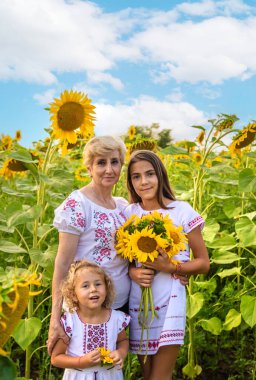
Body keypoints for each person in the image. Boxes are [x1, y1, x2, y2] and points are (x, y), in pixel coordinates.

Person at [126, 150, 210, 380]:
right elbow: (124, 262)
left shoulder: (181, 211)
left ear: (160, 175)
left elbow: (203, 263)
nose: (144, 182)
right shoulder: (128, 214)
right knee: (147, 374)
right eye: (136, 176)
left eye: (150, 174)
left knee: (160, 376)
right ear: (130, 182)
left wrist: (172, 267)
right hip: (139, 303)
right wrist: (133, 272)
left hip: (170, 300)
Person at [48, 136, 130, 355]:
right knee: (84, 368)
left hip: (118, 308)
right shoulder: (78, 204)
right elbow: (63, 263)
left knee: (110, 370)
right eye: (101, 163)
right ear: (89, 167)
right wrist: (55, 319)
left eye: (114, 162)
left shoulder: (122, 206)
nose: (109, 169)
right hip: (85, 310)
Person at [51, 260, 130, 379]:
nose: (93, 289)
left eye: (98, 284)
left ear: (106, 289)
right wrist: (81, 362)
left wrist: (120, 353)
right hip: (79, 375)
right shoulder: (70, 322)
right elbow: (56, 358)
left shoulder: (116, 318)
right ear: (73, 295)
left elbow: (123, 341)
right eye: (85, 286)